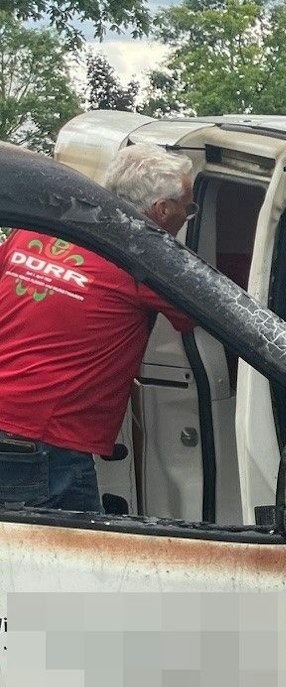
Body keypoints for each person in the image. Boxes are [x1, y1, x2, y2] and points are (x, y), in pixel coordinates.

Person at [0, 144, 197, 513]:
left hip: (16, 428)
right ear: (162, 210)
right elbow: (199, 314)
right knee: (66, 563)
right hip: (41, 446)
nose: (189, 215)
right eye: (190, 207)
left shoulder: (36, 232)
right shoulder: (143, 259)